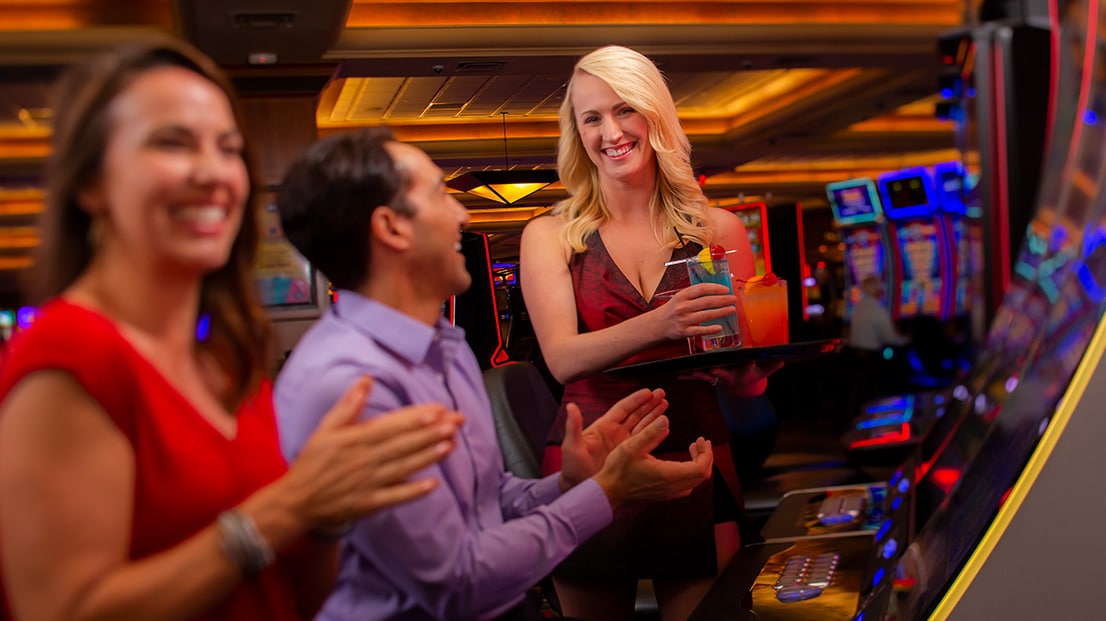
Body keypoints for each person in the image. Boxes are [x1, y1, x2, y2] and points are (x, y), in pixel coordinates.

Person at [0, 37, 466, 621]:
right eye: (172, 143)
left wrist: (325, 516)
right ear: (91, 184)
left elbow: (289, 597)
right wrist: (286, 509)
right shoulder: (70, 350)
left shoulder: (224, 354)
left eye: (228, 149)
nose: (213, 173)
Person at [273, 127, 715, 620]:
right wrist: (608, 493)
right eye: (441, 195)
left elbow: (486, 502)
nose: (462, 214)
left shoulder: (446, 347)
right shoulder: (352, 383)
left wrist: (571, 483)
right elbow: (456, 581)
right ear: (391, 228)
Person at [518, 45, 780, 621]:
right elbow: (562, 359)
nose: (610, 131)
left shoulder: (718, 230)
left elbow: (741, 377)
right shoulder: (551, 235)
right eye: (591, 118)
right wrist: (661, 322)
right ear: (576, 132)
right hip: (591, 454)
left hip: (697, 448)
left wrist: (750, 377)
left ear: (655, 115)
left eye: (624, 110)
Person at [848, 274, 910, 354]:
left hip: (856, 355)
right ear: (878, 290)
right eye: (881, 286)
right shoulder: (876, 309)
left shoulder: (859, 307)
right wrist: (908, 339)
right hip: (872, 356)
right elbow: (890, 338)